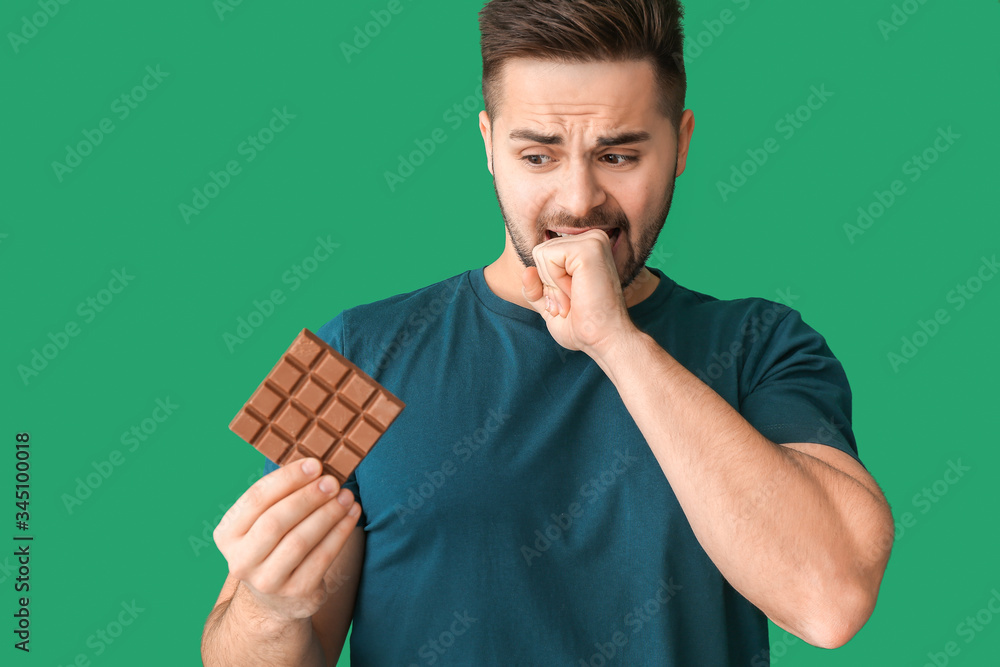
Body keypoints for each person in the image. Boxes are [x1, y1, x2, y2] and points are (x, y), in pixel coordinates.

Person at [202, 0, 895, 664]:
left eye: (619, 156)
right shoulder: (345, 352)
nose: (578, 200)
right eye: (538, 156)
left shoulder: (764, 344)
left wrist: (615, 342)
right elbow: (242, 651)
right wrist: (267, 608)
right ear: (488, 144)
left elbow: (830, 602)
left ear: (681, 143)